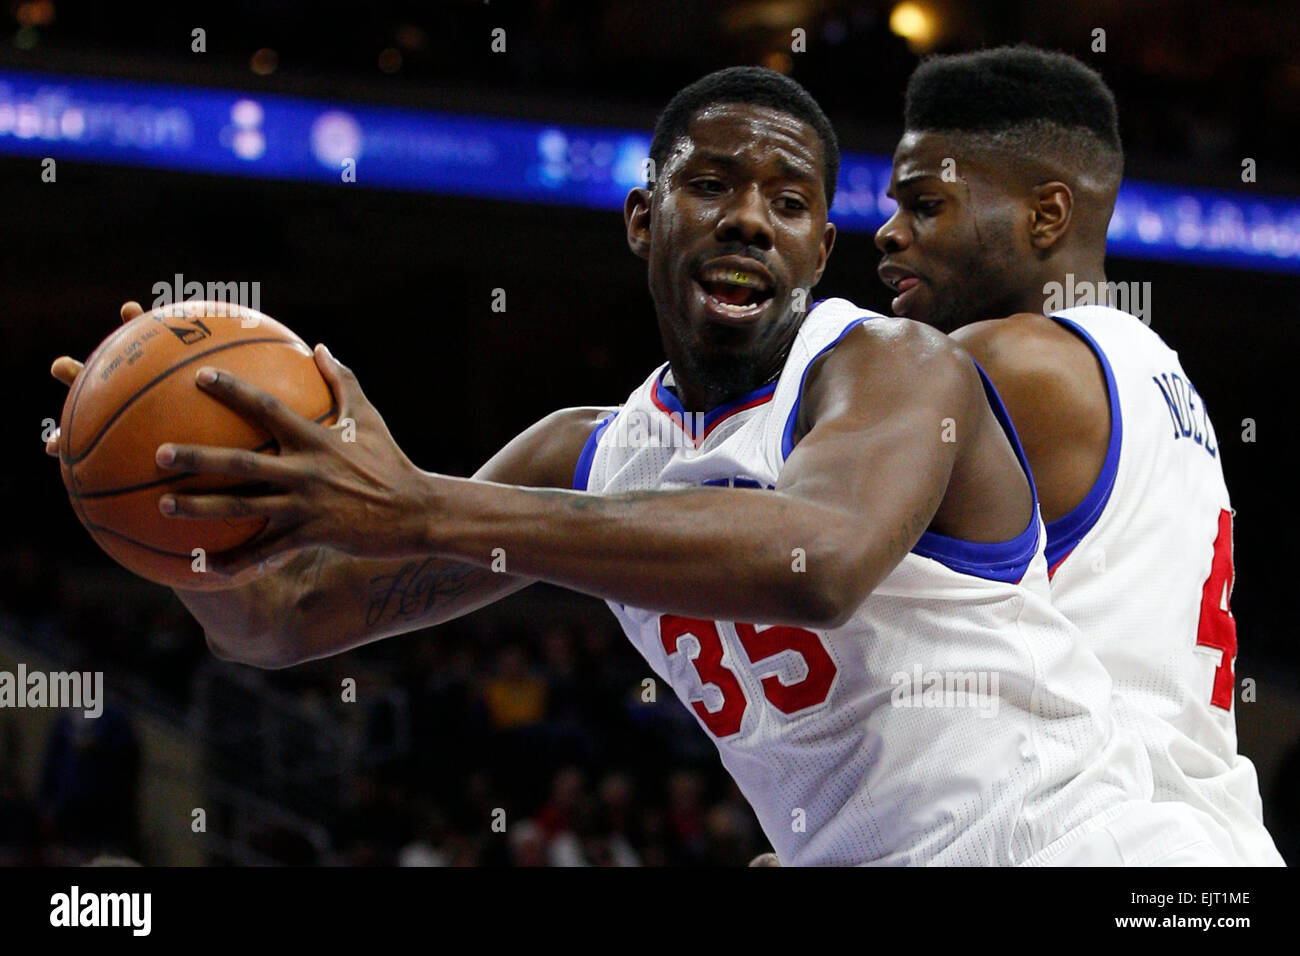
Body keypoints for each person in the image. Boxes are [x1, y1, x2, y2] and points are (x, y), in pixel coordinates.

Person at [48, 67, 1226, 865]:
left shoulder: (890, 364)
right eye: (711, 185)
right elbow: (283, 620)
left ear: (822, 244)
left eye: (788, 200)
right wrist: (174, 505)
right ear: (640, 217)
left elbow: (815, 560)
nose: (748, 219)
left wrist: (422, 506)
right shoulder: (589, 451)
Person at [874, 45, 1283, 865]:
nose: (890, 231)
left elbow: (784, 542)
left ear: (1047, 216)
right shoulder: (1165, 382)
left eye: (927, 204)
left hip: (1101, 835)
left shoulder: (1004, 361)